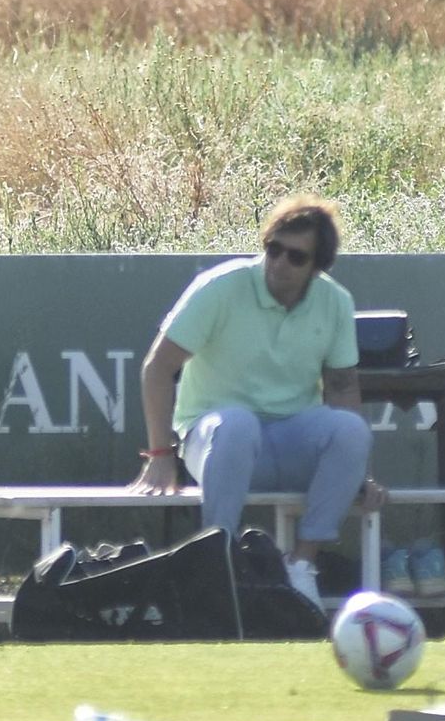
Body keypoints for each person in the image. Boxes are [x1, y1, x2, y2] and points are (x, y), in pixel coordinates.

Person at [128, 194, 389, 610]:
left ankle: (302, 567)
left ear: (316, 266)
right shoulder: (220, 286)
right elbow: (158, 367)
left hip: (290, 441)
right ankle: (219, 565)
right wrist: (161, 455)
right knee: (237, 424)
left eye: (296, 257)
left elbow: (342, 389)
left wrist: (360, 474)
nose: (280, 263)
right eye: (273, 249)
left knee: (352, 431)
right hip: (213, 438)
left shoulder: (335, 301)